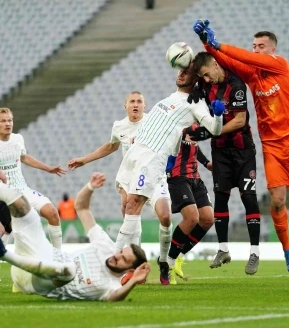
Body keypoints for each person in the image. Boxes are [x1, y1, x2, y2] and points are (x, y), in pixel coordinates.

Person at [193, 20, 289, 276]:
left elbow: (241, 56)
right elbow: (227, 62)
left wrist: (219, 43)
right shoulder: (251, 75)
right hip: (272, 145)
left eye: (260, 46)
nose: (255, 50)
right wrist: (207, 43)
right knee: (278, 201)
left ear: (272, 49)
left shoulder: (280, 66)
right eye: (253, 46)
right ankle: (288, 252)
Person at [117, 63, 224, 282]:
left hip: (153, 159)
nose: (180, 72)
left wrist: (219, 115)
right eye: (180, 69)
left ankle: (116, 265)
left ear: (195, 79)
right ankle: (127, 264)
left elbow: (214, 129)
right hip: (134, 155)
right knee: (130, 206)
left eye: (186, 71)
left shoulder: (196, 104)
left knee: (140, 207)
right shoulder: (169, 98)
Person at [68, 91, 173, 285]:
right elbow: (110, 147)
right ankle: (134, 266)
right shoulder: (119, 126)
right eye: (132, 101)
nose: (136, 104)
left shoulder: (153, 122)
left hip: (155, 176)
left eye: (139, 101)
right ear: (125, 106)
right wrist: (84, 160)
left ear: (145, 105)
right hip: (130, 177)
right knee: (129, 212)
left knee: (166, 217)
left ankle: (164, 261)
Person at [0, 171, 150, 301]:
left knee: (68, 271)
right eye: (121, 252)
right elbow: (82, 208)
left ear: (130, 271)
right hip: (39, 252)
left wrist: (134, 281)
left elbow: (115, 298)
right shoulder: (105, 245)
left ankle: (4, 254)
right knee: (23, 205)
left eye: (124, 259)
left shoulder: (110, 286)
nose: (117, 256)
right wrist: (90, 187)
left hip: (31, 280)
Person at [188, 51, 261, 275]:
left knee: (248, 197)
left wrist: (208, 132)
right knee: (221, 197)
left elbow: (240, 121)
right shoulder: (203, 82)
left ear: (217, 65)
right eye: (203, 77)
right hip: (220, 152)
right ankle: (223, 249)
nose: (206, 80)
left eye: (207, 75)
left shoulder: (237, 86)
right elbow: (188, 74)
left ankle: (255, 252)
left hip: (242, 150)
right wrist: (194, 88)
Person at [0, 108, 66, 249]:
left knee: (52, 213)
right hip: (4, 195)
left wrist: (48, 168)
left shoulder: (18, 139)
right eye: (3, 121)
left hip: (23, 189)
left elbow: (24, 157)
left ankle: (58, 254)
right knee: (15, 229)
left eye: (10, 120)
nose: (8, 124)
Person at [165, 123, 214, 284]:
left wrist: (207, 163)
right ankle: (169, 264)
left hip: (196, 179)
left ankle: (179, 256)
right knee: (192, 218)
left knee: (207, 219)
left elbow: (194, 147)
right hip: (178, 178)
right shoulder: (177, 125)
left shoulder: (197, 122)